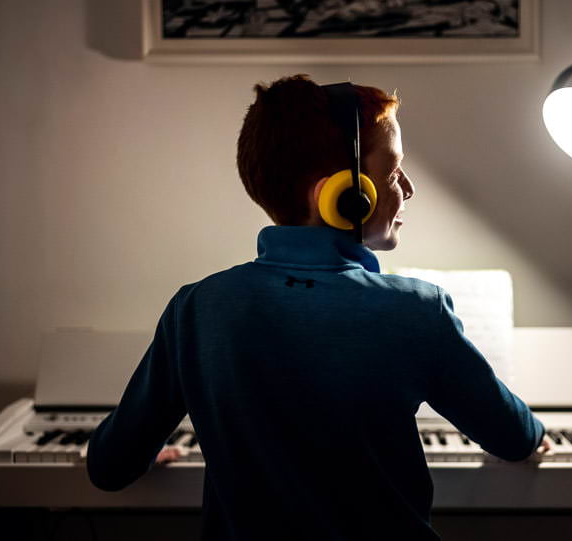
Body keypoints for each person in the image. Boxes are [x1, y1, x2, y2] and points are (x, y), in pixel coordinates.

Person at [87, 74, 546, 540]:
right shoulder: (416, 310)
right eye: (391, 172)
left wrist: (145, 448)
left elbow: (108, 466)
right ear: (340, 194)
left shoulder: (197, 309)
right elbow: (514, 437)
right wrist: (532, 430)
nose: (407, 189)